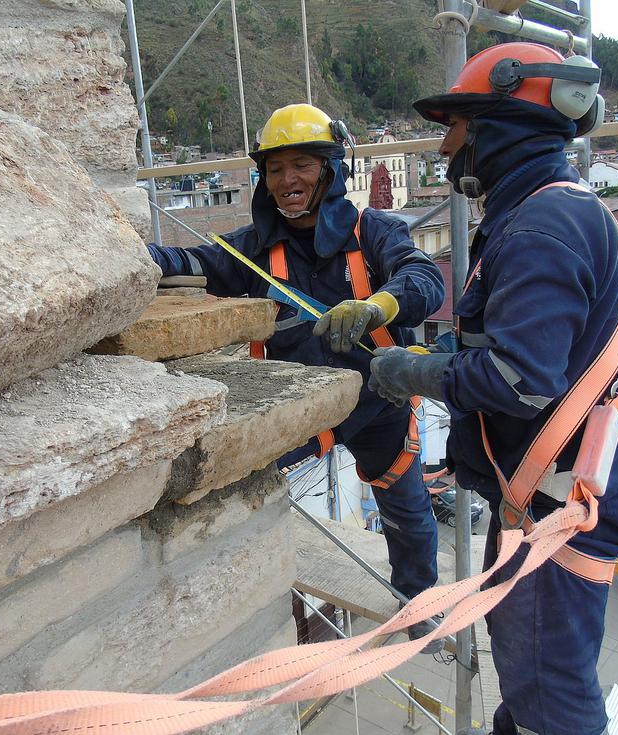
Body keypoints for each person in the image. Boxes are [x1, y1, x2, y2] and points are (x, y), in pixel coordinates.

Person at [369, 42, 618, 735]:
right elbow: (505, 345)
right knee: (531, 674)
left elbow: (517, 378)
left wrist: (413, 372)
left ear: (499, 125)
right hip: (550, 490)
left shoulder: (540, 227)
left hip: (553, 507)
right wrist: (438, 353)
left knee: (549, 692)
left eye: (456, 127)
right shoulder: (548, 211)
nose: (445, 147)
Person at [146, 104, 446, 650]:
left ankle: (416, 602)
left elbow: (424, 279)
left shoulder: (372, 232)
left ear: (331, 169)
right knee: (240, 486)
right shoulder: (255, 249)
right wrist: (134, 256)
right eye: (276, 168)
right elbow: (187, 262)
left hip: (376, 404)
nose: (288, 180)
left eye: (303, 164)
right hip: (302, 408)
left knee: (405, 510)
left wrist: (378, 307)